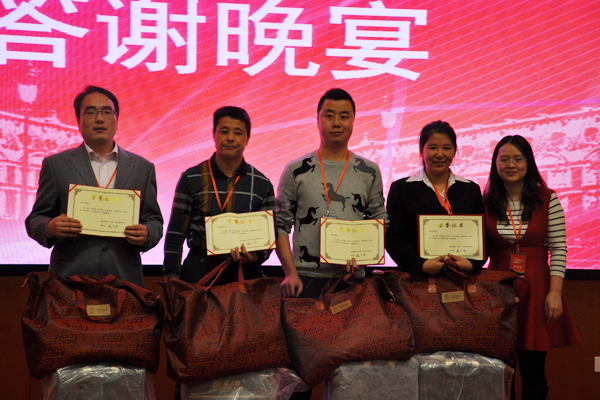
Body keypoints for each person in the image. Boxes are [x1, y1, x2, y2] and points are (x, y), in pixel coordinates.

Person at [25, 86, 163, 288]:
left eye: (107, 112)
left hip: (124, 280)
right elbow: (35, 218)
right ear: (78, 121)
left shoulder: (143, 168)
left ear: (117, 120)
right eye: (90, 112)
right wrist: (50, 227)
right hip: (69, 281)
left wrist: (147, 233)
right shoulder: (56, 165)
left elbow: (154, 220)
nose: (99, 118)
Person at [483, 135, 580, 400]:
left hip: (537, 291)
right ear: (495, 164)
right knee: (501, 370)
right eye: (504, 159)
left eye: (518, 159)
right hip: (498, 292)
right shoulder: (486, 202)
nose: (511, 165)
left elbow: (558, 249)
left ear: (529, 162)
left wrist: (555, 292)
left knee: (534, 371)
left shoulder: (547, 199)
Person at [276, 88, 388, 298]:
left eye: (344, 117)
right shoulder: (295, 170)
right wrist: (290, 273)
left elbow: (380, 219)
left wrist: (364, 257)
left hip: (352, 278)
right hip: (305, 279)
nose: (336, 123)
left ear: (353, 121)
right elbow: (280, 225)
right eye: (329, 116)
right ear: (317, 121)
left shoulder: (370, 171)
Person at [163, 106, 275, 284]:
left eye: (238, 133)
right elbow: (175, 235)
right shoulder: (191, 178)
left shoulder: (262, 184)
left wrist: (254, 257)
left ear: (247, 138)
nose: (230, 138)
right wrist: (172, 281)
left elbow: (269, 238)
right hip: (199, 271)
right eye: (224, 131)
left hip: (243, 274)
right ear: (214, 135)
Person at [386, 120, 487, 275]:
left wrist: (472, 264)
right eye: (432, 148)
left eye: (446, 148)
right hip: (416, 279)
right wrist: (420, 265)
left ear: (454, 151)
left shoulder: (470, 190)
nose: (439, 154)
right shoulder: (402, 188)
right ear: (421, 150)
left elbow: (483, 238)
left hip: (461, 278)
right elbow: (393, 238)